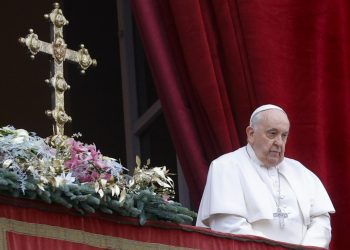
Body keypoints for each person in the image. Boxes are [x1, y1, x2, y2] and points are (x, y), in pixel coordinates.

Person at [196, 104, 335, 249]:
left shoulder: (301, 172)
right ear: (251, 134)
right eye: (272, 133)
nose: (279, 143)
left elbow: (321, 222)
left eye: (284, 135)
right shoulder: (225, 167)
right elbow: (229, 226)